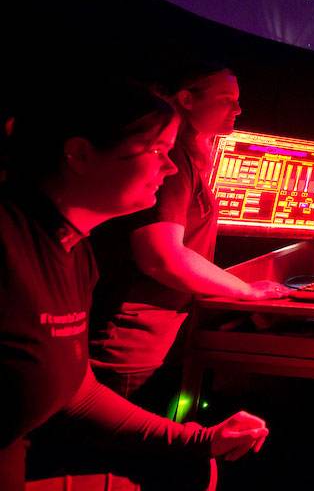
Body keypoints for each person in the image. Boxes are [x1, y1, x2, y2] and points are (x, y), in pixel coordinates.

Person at [0, 79, 269, 490]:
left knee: (191, 467)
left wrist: (201, 439)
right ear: (80, 154)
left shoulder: (75, 253)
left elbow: (78, 392)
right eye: (158, 150)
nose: (171, 166)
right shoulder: (9, 242)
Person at [90, 62, 288, 406]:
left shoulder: (184, 157)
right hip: (130, 344)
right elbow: (162, 256)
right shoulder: (174, 159)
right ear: (186, 99)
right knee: (114, 453)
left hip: (153, 337)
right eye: (227, 99)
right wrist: (245, 291)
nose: (238, 109)